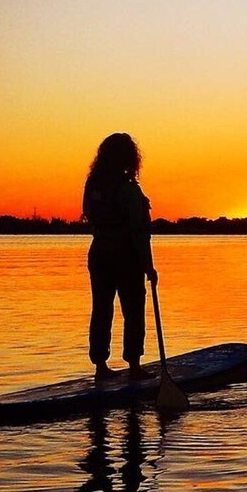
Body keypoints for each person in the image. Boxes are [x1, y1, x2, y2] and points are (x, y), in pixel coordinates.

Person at [82, 133, 157, 381]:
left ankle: (100, 366)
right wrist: (149, 266)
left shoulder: (93, 186)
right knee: (133, 310)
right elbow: (139, 231)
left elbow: (90, 217)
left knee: (102, 309)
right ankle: (134, 365)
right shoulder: (128, 189)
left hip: (100, 254)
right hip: (126, 257)